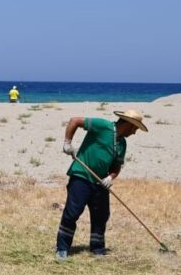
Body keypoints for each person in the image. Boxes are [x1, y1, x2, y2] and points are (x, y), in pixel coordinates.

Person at [54, 109, 147, 260]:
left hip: (100, 182)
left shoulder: (122, 144)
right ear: (128, 124)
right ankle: (62, 248)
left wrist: (110, 177)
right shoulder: (103, 126)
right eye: (134, 128)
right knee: (73, 212)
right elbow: (74, 120)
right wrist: (67, 143)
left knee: (101, 215)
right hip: (81, 175)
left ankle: (97, 248)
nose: (134, 132)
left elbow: (116, 166)